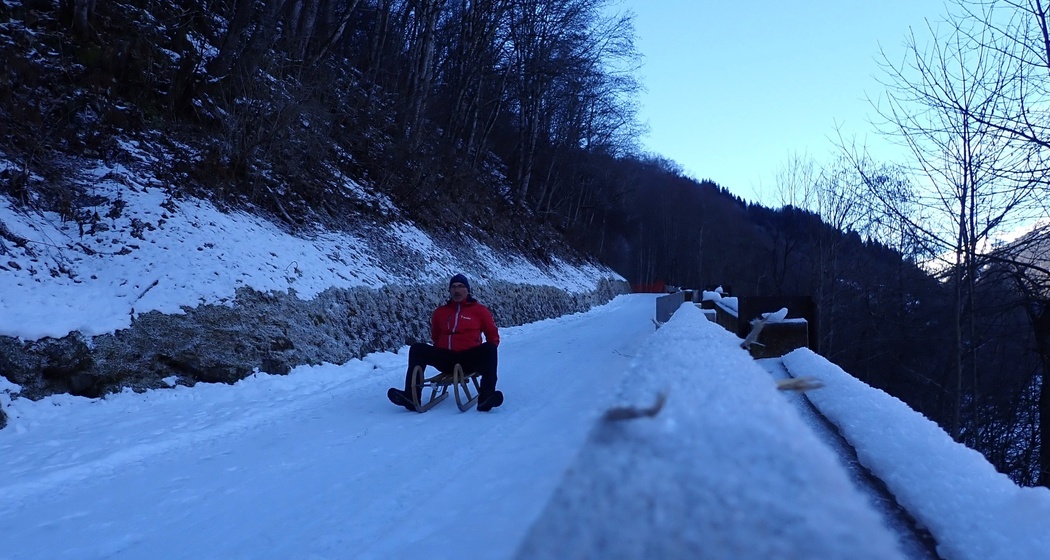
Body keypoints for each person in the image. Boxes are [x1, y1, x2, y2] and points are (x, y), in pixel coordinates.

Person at [387, 273, 503, 412]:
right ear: (449, 290)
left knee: (490, 348)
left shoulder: (480, 311)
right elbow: (435, 336)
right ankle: (411, 397)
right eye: (453, 287)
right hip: (446, 358)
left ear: (467, 290)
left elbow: (493, 336)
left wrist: (483, 362)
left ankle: (486, 397)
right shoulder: (440, 312)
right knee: (417, 349)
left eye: (461, 286)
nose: (457, 290)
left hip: (468, 359)